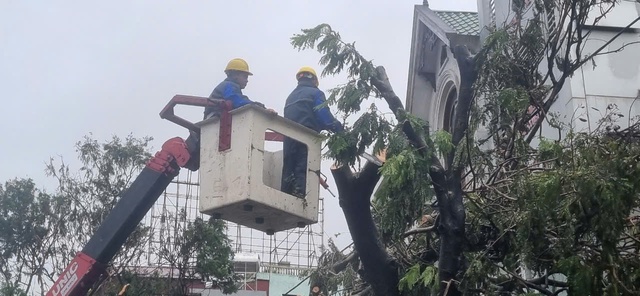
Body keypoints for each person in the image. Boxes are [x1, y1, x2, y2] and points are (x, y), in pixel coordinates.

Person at [281, 66, 343, 198]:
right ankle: (300, 196)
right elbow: (323, 114)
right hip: (306, 137)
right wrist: (337, 128)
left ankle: (286, 195)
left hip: (289, 139)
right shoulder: (316, 93)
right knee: (303, 166)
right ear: (315, 80)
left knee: (289, 167)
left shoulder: (290, 97)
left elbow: (302, 114)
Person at [204, 58, 273, 119]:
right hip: (214, 120)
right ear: (235, 75)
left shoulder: (228, 86)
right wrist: (260, 108)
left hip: (214, 120)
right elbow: (239, 101)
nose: (247, 80)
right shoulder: (229, 85)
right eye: (245, 77)